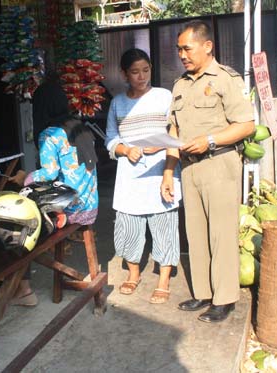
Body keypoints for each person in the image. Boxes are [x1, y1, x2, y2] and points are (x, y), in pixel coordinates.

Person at [160, 20, 254, 323]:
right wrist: (167, 172)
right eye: (179, 50)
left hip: (219, 164)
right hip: (189, 168)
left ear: (207, 46)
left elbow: (246, 124)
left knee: (221, 234)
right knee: (196, 234)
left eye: (187, 48)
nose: (182, 55)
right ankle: (203, 292)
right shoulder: (180, 84)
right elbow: (174, 130)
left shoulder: (226, 79)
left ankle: (224, 298)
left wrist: (210, 140)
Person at [105, 48, 181, 304]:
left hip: (162, 172)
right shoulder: (117, 103)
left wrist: (159, 145)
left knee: (164, 226)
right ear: (124, 74)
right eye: (135, 72)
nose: (142, 77)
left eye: (146, 70)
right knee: (129, 226)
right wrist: (125, 149)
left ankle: (163, 280)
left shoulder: (163, 97)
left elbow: (177, 133)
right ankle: (133, 274)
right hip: (129, 176)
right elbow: (110, 138)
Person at [9, 102, 99, 307]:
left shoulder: (50, 134)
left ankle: (24, 290)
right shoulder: (78, 126)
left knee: (16, 226)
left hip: (71, 210)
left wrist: (26, 177)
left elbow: (48, 174)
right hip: (89, 207)